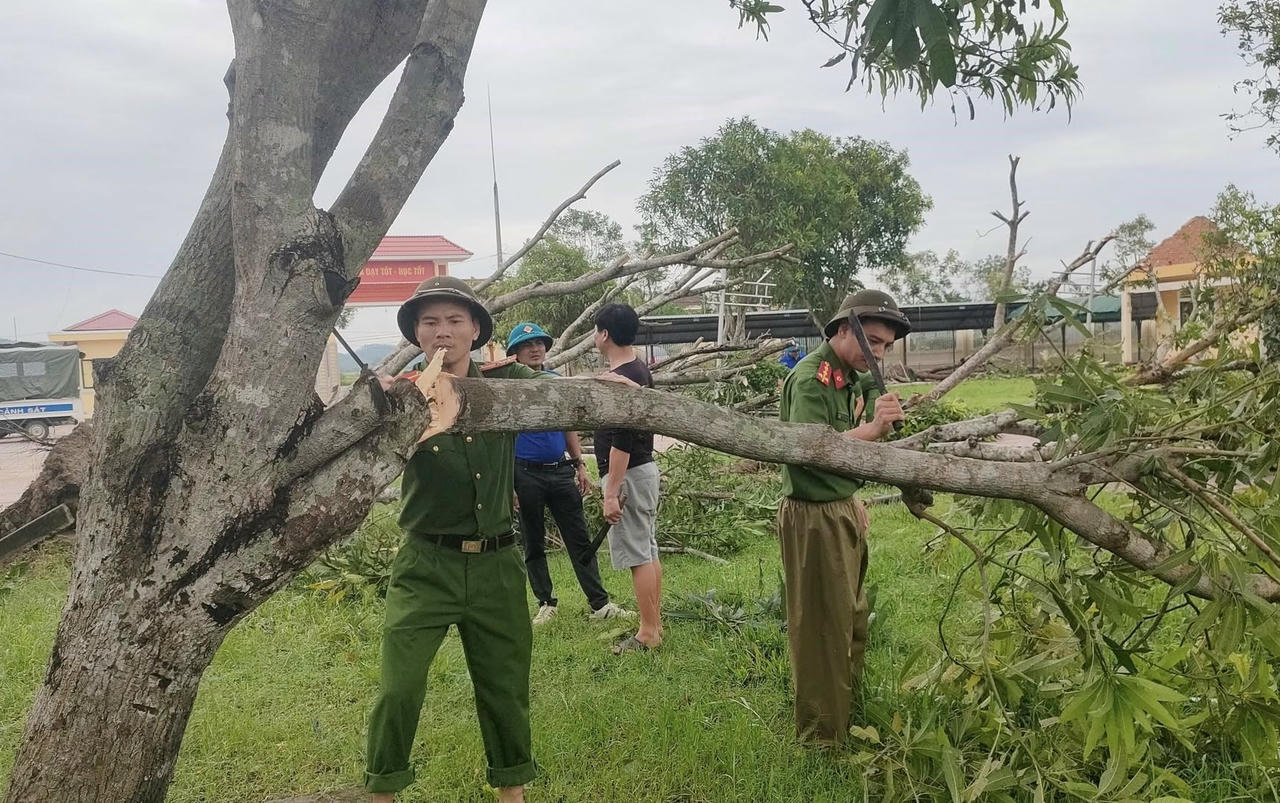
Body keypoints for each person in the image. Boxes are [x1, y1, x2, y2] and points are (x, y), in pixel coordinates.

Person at [365, 276, 540, 803]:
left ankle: (513, 793)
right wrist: (369, 397)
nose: (443, 332)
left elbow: (572, 392)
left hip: (498, 567)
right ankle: (382, 791)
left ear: (476, 329)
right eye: (431, 322)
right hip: (425, 565)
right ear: (416, 334)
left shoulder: (509, 386)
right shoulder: (403, 398)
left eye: (455, 320)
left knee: (505, 689)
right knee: (398, 689)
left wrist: (610, 383)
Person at [775, 288, 909, 746]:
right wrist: (872, 430)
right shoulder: (812, 379)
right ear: (839, 330)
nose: (878, 352)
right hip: (813, 516)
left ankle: (844, 709)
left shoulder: (851, 377)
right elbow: (811, 456)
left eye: (886, 346)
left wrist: (851, 497)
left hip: (841, 507)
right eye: (871, 340)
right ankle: (821, 738)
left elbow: (873, 391)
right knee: (819, 629)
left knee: (850, 617)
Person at [505, 321, 633, 624]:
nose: (535, 349)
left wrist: (578, 464)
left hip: (560, 472)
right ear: (516, 354)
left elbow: (568, 426)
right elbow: (502, 438)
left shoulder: (557, 381)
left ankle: (600, 604)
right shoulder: (509, 388)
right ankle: (546, 602)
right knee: (533, 540)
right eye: (527, 345)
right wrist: (508, 484)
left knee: (579, 539)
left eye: (539, 343)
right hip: (524, 474)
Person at [591, 303, 663, 654]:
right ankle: (654, 624)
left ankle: (648, 633)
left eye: (595, 330)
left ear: (604, 334)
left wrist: (611, 491)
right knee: (647, 550)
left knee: (638, 554)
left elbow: (623, 439)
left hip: (629, 472)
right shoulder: (635, 370)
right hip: (641, 471)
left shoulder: (626, 377)